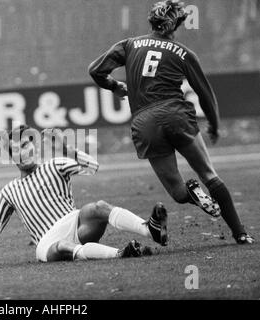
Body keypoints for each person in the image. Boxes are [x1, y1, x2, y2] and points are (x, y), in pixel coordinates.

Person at [88, 0, 253, 244]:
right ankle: (240, 233)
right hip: (175, 114)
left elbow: (95, 70)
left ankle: (193, 195)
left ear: (151, 21)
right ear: (177, 23)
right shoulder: (184, 54)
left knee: (177, 192)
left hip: (145, 123)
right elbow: (206, 95)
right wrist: (214, 126)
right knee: (208, 174)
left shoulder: (129, 45)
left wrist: (115, 86)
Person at [0, 125, 169, 262]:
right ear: (11, 157)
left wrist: (68, 149)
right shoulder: (9, 191)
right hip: (47, 241)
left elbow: (92, 167)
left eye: (26, 145)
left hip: (75, 222)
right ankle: (120, 254)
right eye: (16, 149)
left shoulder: (55, 165)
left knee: (98, 207)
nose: (23, 151)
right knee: (62, 247)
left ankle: (149, 229)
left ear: (34, 147)